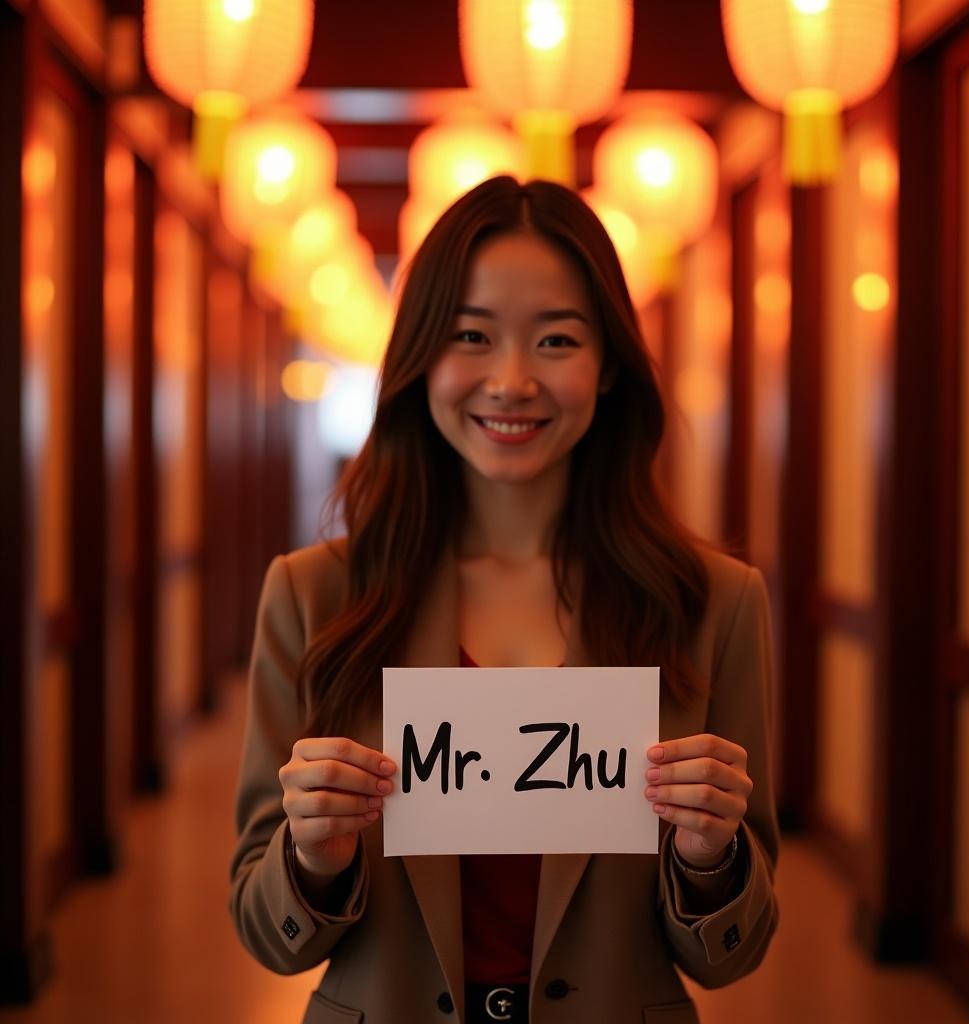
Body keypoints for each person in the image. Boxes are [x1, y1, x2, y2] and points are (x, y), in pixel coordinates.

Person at [229, 176, 780, 1024]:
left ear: (608, 369)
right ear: (418, 361)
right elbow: (272, 937)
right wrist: (313, 856)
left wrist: (712, 857)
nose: (513, 380)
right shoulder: (314, 593)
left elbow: (729, 956)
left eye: (557, 340)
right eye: (471, 336)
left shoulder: (716, 604)